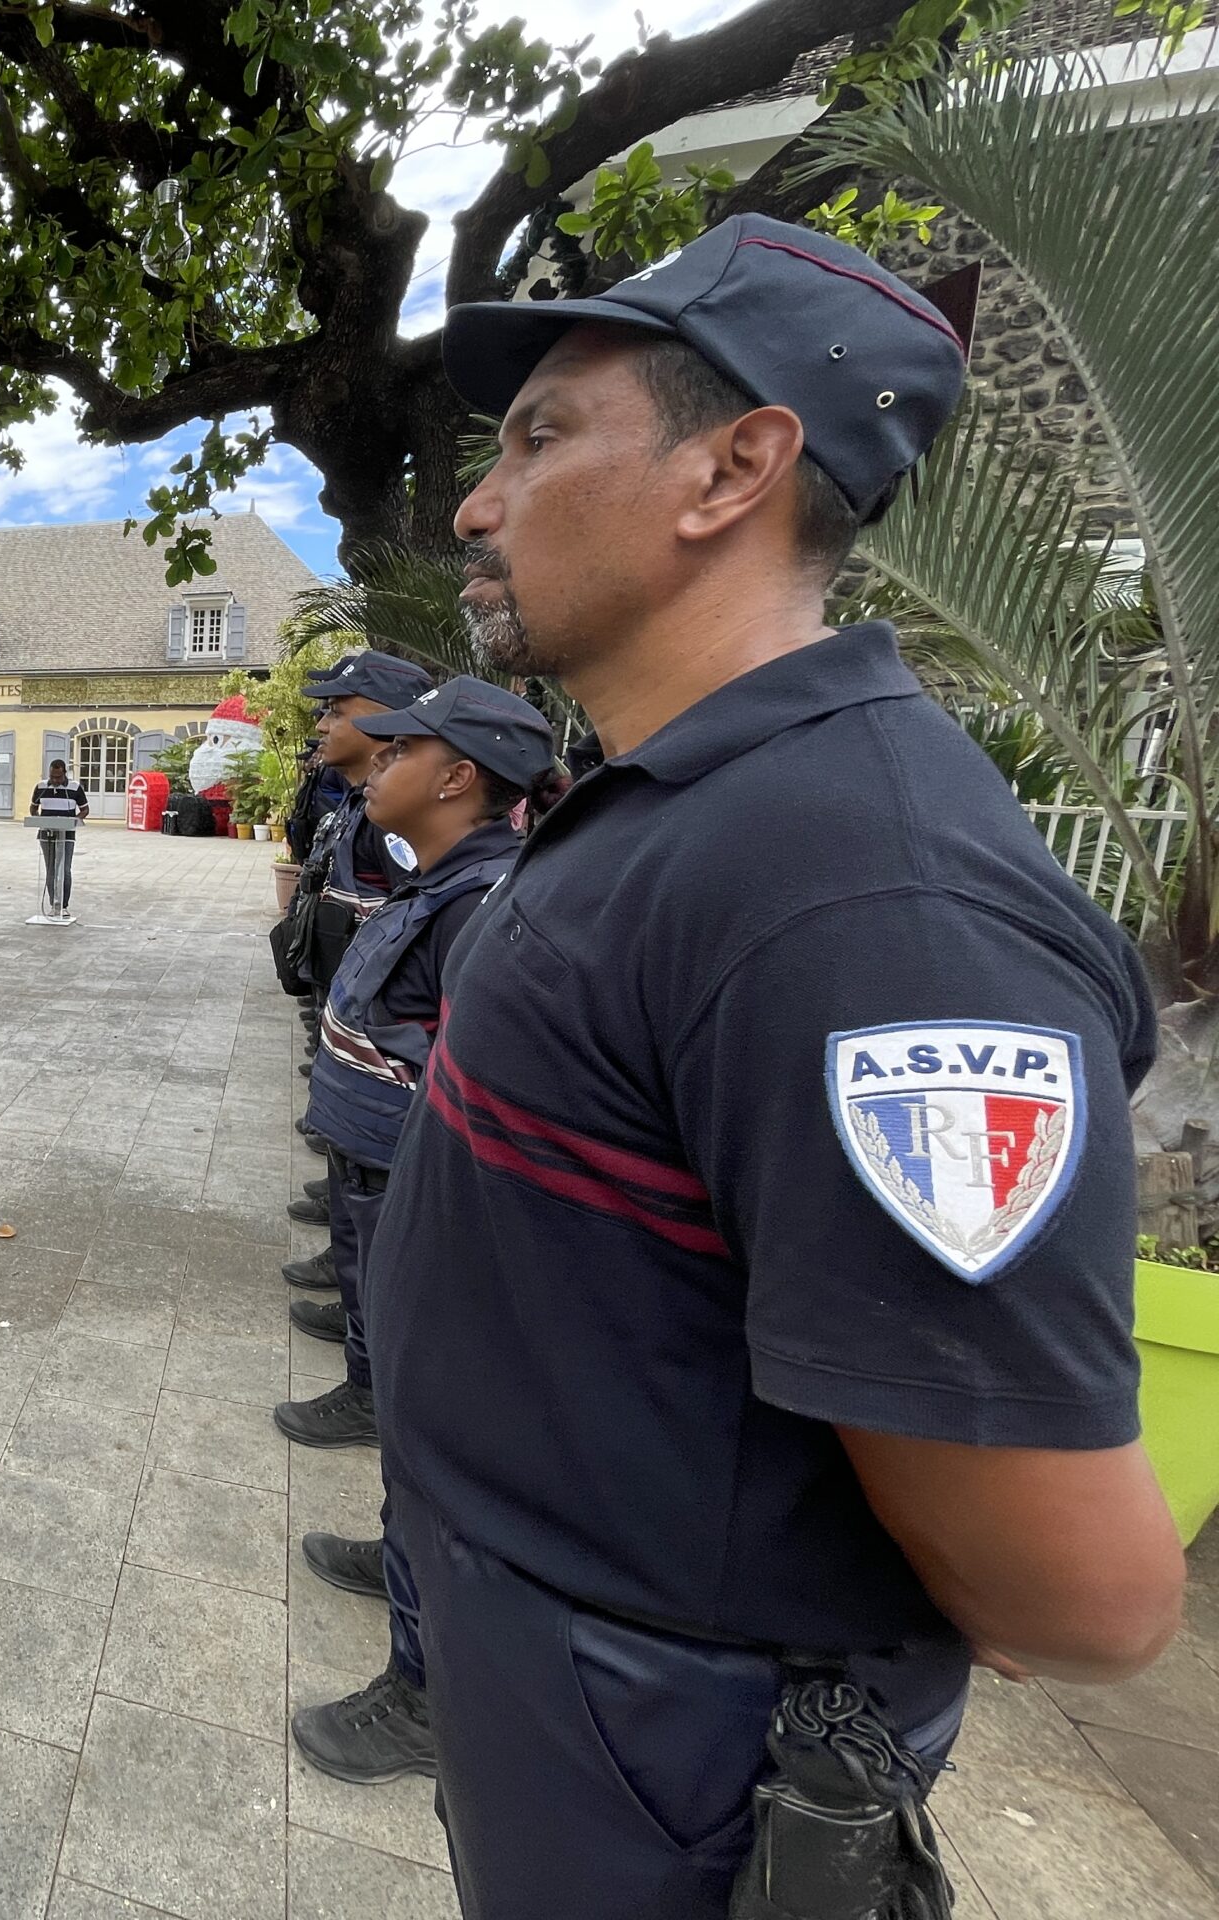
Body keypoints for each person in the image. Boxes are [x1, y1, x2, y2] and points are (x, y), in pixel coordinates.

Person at [367, 216, 1182, 1918]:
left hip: (679, 1777)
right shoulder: (704, 810)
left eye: (540, 435)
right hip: (581, 1714)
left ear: (733, 468)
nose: (475, 504)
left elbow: (1086, 1598)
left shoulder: (864, 895)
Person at [277, 678, 557, 1792]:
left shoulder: (486, 903)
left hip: (420, 1190)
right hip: (383, 1173)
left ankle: (431, 1694)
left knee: (439, 1446)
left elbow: (479, 1081)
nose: (375, 765)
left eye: (403, 750)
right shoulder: (445, 880)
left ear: (458, 777)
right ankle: (413, 1627)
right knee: (408, 1427)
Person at [278, 652, 435, 1282]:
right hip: (347, 993)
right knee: (350, 1157)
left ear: (385, 720)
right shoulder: (355, 800)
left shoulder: (397, 819)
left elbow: (413, 915)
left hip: (382, 1022)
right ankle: (346, 1247)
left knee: (371, 1173)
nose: (321, 722)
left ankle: (358, 1286)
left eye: (337, 711)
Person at [27, 757, 88, 915]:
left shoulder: (75, 788)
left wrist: (76, 820)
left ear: (64, 774)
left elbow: (85, 809)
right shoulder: (41, 787)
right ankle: (54, 904)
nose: (55, 780)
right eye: (52, 776)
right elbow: (33, 808)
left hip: (66, 834)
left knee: (65, 869)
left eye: (58, 777)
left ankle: (64, 905)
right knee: (51, 869)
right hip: (46, 834)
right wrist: (38, 819)